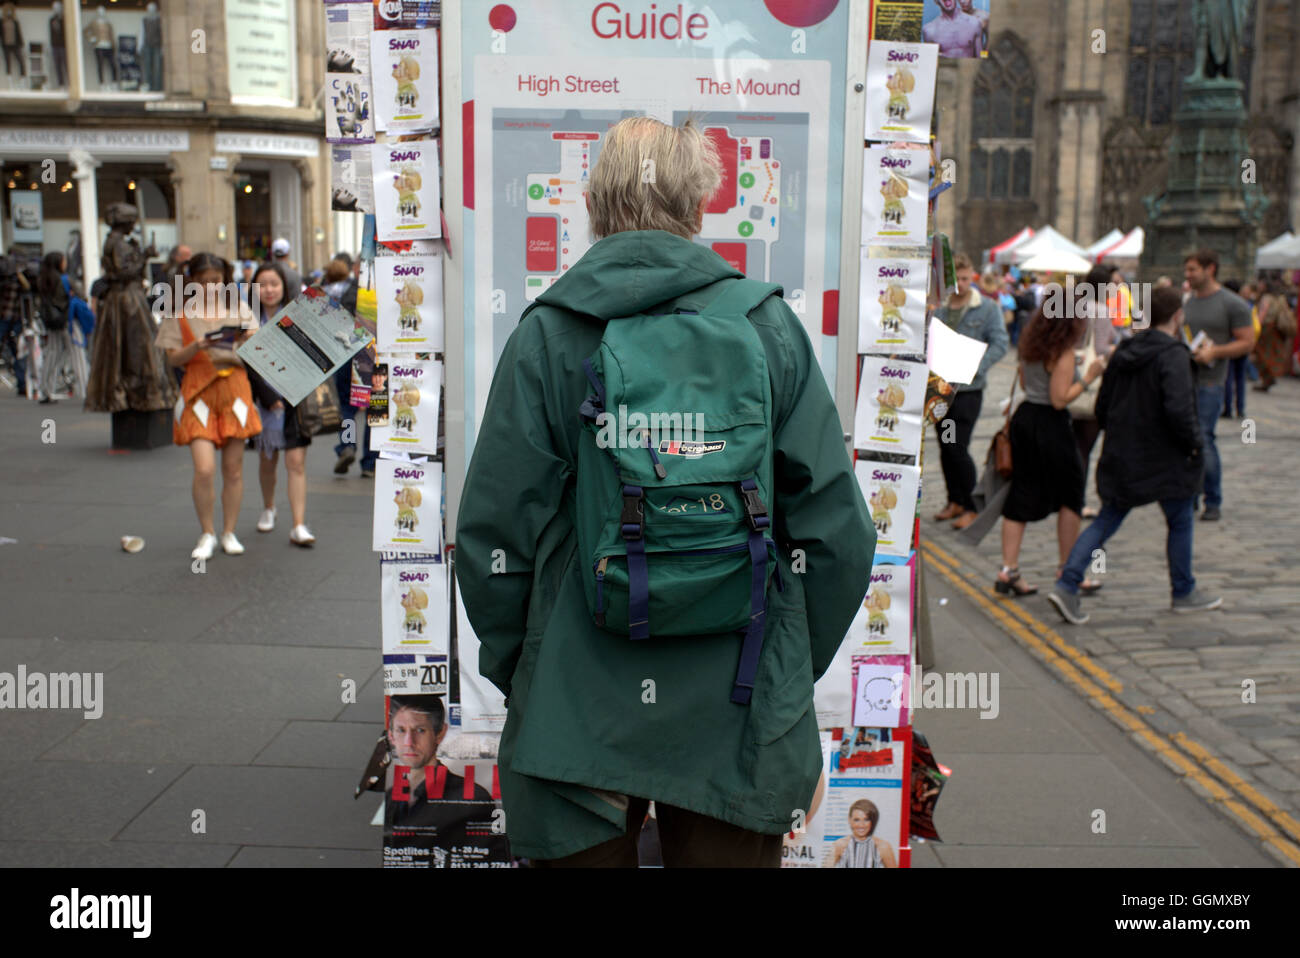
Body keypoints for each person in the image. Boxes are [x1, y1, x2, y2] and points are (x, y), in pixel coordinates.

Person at [454, 115, 876, 867]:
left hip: (578, 693)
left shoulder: (549, 333)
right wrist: (783, 664)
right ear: (700, 203)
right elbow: (837, 536)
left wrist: (525, 663)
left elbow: (493, 534)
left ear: (592, 202)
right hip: (737, 695)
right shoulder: (769, 325)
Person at [1048, 287, 1221, 624]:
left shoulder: (1123, 351)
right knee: (1181, 519)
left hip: (1124, 453)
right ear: (1177, 316)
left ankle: (1067, 584)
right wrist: (1195, 445)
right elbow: (1179, 410)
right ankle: (1183, 591)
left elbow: (1103, 405)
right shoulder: (1173, 355)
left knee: (1107, 520)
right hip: (1166, 456)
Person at [155, 252, 262, 560]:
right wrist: (196, 346)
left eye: (215, 281)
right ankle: (207, 532)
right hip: (197, 392)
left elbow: (257, 351)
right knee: (204, 469)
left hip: (235, 391)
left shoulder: (239, 308)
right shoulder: (179, 312)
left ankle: (229, 531)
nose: (210, 287)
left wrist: (243, 342)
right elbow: (172, 358)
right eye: (202, 282)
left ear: (224, 279)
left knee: (234, 469)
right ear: (192, 282)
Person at [995, 305, 1105, 597]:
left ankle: (1009, 569)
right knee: (1072, 493)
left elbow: (1023, 382)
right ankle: (1068, 569)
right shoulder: (1063, 353)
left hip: (1025, 418)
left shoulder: (1030, 346)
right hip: (1050, 425)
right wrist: (1089, 376)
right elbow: (1059, 400)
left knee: (1021, 491)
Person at [931, 254, 1009, 531]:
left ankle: (971, 505)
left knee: (958, 446)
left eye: (965, 279)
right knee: (944, 446)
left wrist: (977, 367)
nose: (960, 285)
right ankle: (955, 499)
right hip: (941, 389)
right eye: (956, 279)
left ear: (972, 277)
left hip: (968, 391)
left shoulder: (986, 308)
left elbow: (1000, 343)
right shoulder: (939, 309)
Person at [244, 262, 316, 547]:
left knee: (296, 462)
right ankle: (269, 507)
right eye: (262, 285)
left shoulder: (297, 317)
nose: (269, 290)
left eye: (274, 284)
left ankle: (298, 524)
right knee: (267, 460)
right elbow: (245, 362)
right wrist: (267, 396)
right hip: (263, 402)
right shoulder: (247, 319)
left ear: (284, 286)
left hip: (296, 400)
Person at [1182, 248, 1253, 521]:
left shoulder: (1231, 303)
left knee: (1204, 438)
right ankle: (1190, 495)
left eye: (1192, 270)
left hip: (1211, 382)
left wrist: (1215, 353)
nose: (1187, 275)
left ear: (1210, 269)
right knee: (1187, 440)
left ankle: (1213, 498)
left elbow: (1247, 342)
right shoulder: (1188, 300)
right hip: (1185, 379)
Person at [384, 696, 492, 834]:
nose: (409, 742)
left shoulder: (474, 797)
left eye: (420, 730)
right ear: (391, 736)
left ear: (440, 734)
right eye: (401, 730)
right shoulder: (389, 798)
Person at [1073, 265, 1123, 521]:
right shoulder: (1101, 311)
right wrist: (1120, 348)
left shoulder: (1075, 304)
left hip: (1070, 378)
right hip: (1091, 384)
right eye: (1115, 283)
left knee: (1074, 445)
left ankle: (1066, 498)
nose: (1118, 287)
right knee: (1084, 447)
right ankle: (1077, 502)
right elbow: (1102, 348)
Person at [35, 251, 79, 404]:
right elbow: (79, 294)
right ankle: (83, 387)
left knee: (52, 352)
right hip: (64, 319)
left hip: (50, 320)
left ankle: (45, 389)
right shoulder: (63, 280)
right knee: (74, 352)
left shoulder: (43, 279)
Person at [824, 799, 896, 868]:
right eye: (856, 820)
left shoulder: (883, 846)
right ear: (849, 820)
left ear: (872, 821)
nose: (861, 825)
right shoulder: (839, 845)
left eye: (866, 819)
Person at [1251, 279, 1295, 392]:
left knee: (1260, 354)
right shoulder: (1280, 298)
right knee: (1272, 354)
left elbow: (1262, 313)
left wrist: (1255, 328)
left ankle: (1268, 378)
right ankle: (1268, 378)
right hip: (1276, 329)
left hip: (1266, 329)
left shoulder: (1266, 298)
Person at [1219, 279, 1253, 418]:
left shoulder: (1225, 305)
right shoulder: (1245, 305)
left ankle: (1228, 408)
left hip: (1231, 345)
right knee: (1240, 379)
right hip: (1243, 346)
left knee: (1228, 378)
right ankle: (1240, 408)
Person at [0, 251, 29, 396]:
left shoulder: (19, 280)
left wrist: (18, 275)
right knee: (17, 351)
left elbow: (27, 287)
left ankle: (22, 383)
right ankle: (22, 383)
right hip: (5, 318)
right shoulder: (5, 280)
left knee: (18, 351)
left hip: (15, 319)